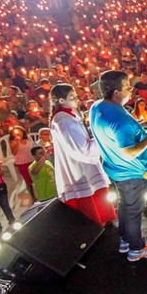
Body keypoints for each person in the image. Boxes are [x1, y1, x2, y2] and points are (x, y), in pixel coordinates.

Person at [89, 70, 147, 263]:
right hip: (132, 172)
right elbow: (129, 152)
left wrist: (139, 129)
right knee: (133, 211)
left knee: (124, 206)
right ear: (116, 92)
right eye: (128, 87)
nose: (132, 90)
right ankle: (136, 249)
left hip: (116, 170)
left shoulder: (97, 107)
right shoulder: (118, 119)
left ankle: (124, 240)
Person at [49, 83, 117, 226]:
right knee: (90, 213)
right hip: (79, 169)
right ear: (61, 100)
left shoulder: (70, 115)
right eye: (72, 97)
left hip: (86, 166)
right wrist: (101, 138)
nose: (76, 99)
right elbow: (80, 149)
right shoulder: (63, 120)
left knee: (101, 209)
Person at [8, 126, 36, 202]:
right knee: (28, 180)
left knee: (36, 177)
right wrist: (17, 143)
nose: (18, 134)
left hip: (32, 160)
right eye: (15, 133)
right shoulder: (13, 142)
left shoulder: (28, 138)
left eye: (19, 132)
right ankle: (33, 197)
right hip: (22, 163)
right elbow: (14, 152)